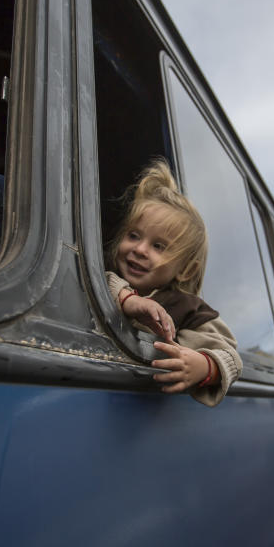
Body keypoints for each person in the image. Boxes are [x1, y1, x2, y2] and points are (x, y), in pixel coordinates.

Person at [105, 160, 242, 407]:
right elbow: (102, 283)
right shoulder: (105, 275)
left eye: (158, 246)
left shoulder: (188, 308)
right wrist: (128, 300)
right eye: (133, 235)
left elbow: (231, 357)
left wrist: (205, 367)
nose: (139, 249)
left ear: (186, 270)